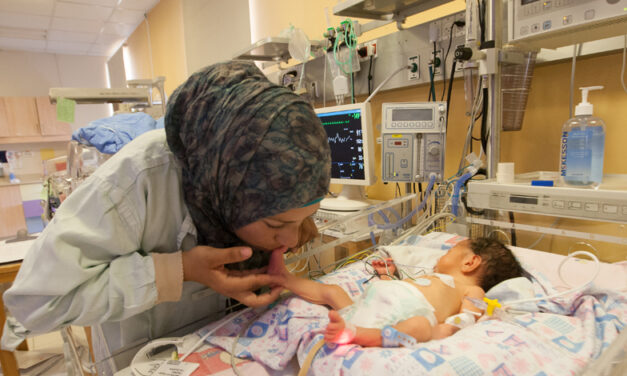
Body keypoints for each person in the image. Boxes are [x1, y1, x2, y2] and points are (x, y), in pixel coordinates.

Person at [2, 61, 331, 371]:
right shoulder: (138, 181)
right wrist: (180, 270)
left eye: (302, 218)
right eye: (275, 224)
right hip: (143, 359)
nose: (288, 239)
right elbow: (34, 305)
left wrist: (293, 235)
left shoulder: (254, 184)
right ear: (224, 188)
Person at [274, 238, 524, 347]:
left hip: (400, 318)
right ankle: (283, 277)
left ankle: (356, 334)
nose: (441, 255)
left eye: (450, 251)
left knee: (419, 327)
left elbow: (469, 314)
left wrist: (448, 329)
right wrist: (387, 277)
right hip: (375, 302)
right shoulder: (433, 277)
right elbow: (404, 291)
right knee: (333, 291)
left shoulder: (473, 289)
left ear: (470, 263)